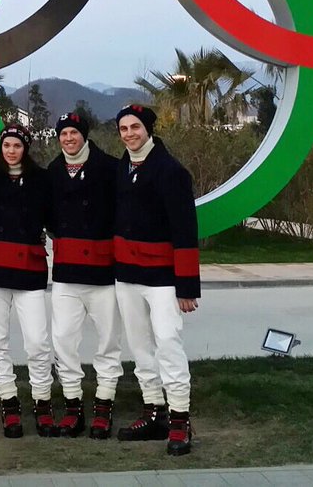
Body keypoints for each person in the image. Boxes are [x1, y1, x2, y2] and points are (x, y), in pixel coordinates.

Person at [111, 104, 200, 456]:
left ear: (148, 129)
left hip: (162, 277)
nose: (129, 134)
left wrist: (187, 287)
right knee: (139, 346)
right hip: (127, 275)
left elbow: (185, 229)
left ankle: (180, 420)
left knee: (167, 343)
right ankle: (154, 411)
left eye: (135, 127)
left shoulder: (170, 170)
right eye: (123, 128)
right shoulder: (123, 166)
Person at [46, 111, 122, 439]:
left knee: (108, 341)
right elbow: (47, 214)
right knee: (63, 339)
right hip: (66, 271)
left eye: (74, 133)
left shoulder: (109, 167)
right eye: (63, 134)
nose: (68, 139)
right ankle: (73, 406)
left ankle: (104, 405)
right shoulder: (52, 170)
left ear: (84, 135)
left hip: (103, 272)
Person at [0, 122, 55, 438]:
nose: (12, 151)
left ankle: (42, 399)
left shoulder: (42, 180)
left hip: (30, 269)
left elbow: (54, 217)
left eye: (18, 146)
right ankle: (8, 400)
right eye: (7, 146)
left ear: (26, 149)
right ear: (2, 148)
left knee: (37, 340)